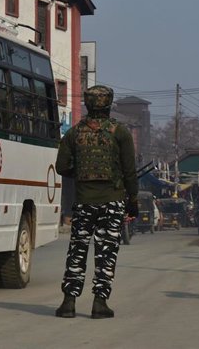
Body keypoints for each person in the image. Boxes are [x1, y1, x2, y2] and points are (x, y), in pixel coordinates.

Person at [54, 85, 139, 319]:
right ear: (109, 103)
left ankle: (68, 303)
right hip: (113, 201)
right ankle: (100, 303)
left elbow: (62, 167)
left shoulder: (73, 133)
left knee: (77, 250)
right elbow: (129, 171)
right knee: (106, 252)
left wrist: (81, 173)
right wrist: (133, 200)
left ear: (88, 104)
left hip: (83, 202)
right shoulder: (120, 132)